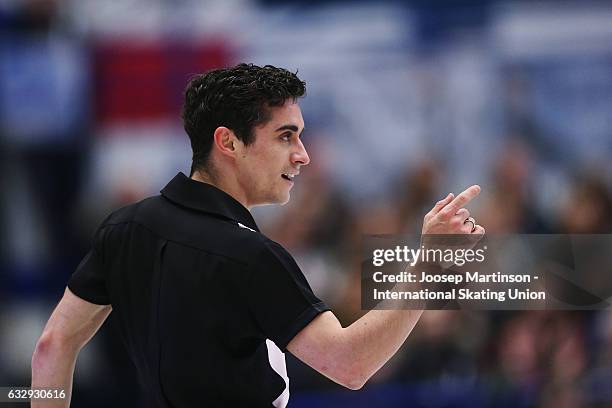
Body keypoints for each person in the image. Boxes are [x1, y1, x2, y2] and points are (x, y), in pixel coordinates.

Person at [31, 63, 484, 407]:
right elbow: (351, 365)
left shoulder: (124, 228)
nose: (302, 156)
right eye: (286, 137)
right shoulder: (249, 256)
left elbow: (53, 345)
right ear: (228, 143)